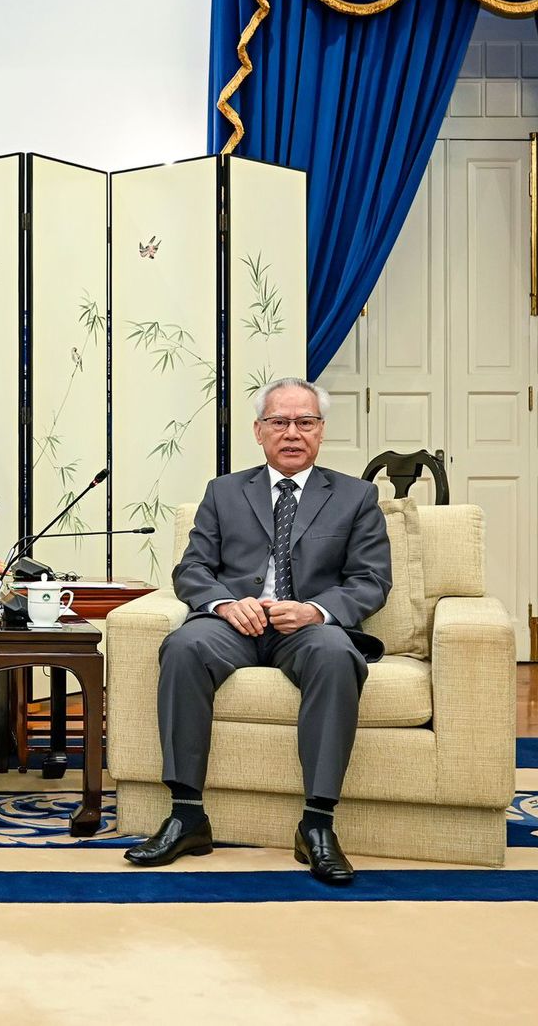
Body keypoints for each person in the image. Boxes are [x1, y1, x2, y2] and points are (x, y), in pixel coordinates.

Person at [124, 376, 391, 884]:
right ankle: (186, 815)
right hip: (235, 624)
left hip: (306, 628)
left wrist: (315, 610)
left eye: (305, 422)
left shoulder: (356, 496)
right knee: (183, 646)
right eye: (279, 421)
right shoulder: (224, 492)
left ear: (320, 430)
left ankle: (317, 825)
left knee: (337, 655)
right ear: (258, 430)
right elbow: (192, 569)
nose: (292, 433)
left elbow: (371, 580)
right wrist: (225, 604)